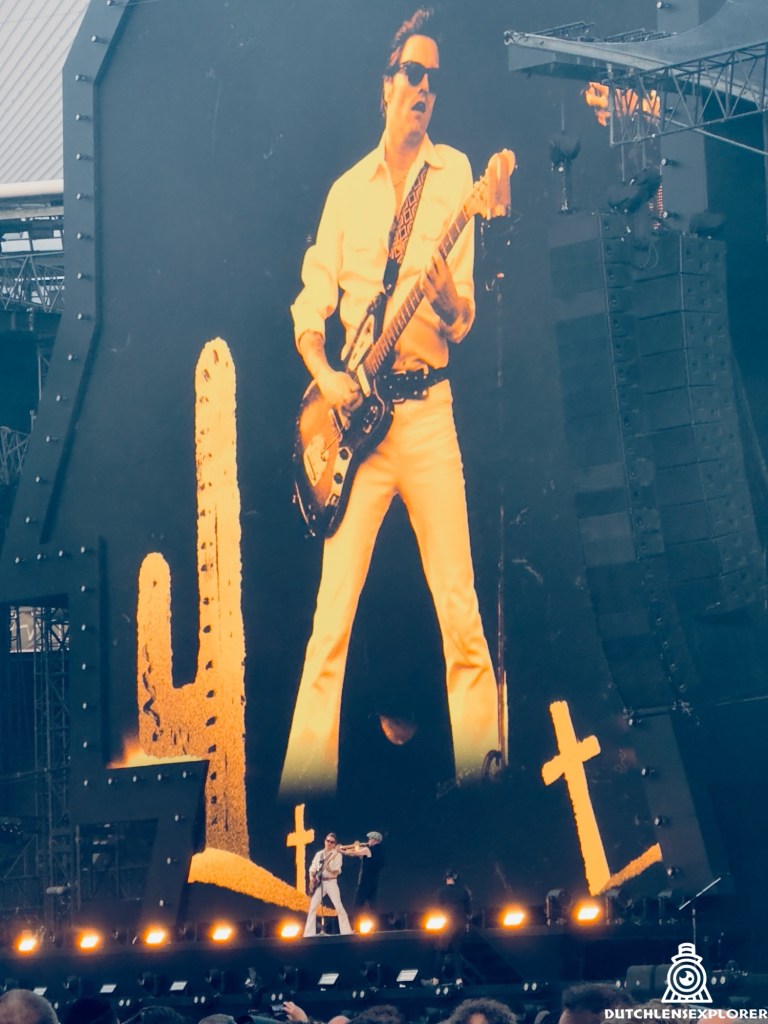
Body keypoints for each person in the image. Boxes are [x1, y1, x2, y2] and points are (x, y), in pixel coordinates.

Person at [280, 6, 501, 798]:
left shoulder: (458, 177)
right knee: (329, 625)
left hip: (428, 413)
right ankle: (303, 800)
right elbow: (309, 305)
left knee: (460, 612)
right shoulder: (347, 194)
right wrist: (327, 374)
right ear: (385, 85)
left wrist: (444, 300)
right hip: (356, 428)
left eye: (433, 79)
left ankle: (483, 785)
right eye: (412, 74)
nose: (424, 89)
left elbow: (463, 317)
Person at [304, 832, 352, 936]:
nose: (329, 843)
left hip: (331, 882)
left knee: (338, 907)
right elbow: (312, 869)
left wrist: (329, 868)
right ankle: (308, 934)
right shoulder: (319, 854)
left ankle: (346, 932)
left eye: (332, 842)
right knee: (312, 907)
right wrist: (312, 880)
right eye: (328, 841)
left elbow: (337, 871)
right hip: (320, 883)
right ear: (325, 841)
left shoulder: (337, 855)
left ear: (335, 844)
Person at [345, 830, 385, 914]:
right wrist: (356, 846)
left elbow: (354, 853)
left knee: (357, 905)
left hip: (365, 882)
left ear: (374, 840)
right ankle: (376, 922)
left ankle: (355, 922)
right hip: (374, 883)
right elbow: (361, 855)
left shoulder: (368, 849)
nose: (368, 841)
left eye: (369, 839)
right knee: (373, 906)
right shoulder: (380, 851)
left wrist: (341, 850)